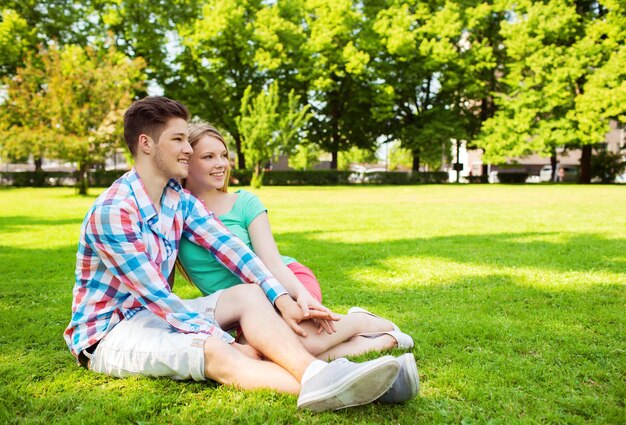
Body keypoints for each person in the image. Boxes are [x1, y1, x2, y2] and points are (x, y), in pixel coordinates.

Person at [62, 96, 422, 412]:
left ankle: (319, 374)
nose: (187, 149)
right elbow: (159, 298)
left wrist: (280, 297)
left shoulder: (178, 200)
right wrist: (225, 341)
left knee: (250, 296)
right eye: (178, 140)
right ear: (146, 144)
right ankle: (365, 388)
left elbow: (235, 251)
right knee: (219, 352)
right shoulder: (114, 211)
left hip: (154, 313)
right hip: (111, 332)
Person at [177, 122, 416, 361]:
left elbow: (272, 261)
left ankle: (360, 321)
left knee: (300, 344)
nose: (221, 164)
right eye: (208, 157)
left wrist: (301, 294)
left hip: (288, 282)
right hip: (246, 308)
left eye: (223, 155)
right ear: (186, 161)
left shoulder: (245, 203)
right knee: (261, 356)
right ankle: (372, 342)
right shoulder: (173, 214)